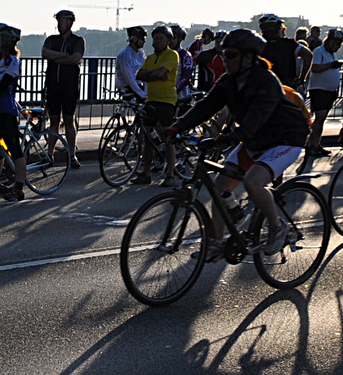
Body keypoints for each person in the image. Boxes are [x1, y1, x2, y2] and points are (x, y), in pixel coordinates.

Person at [172, 28, 309, 256]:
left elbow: (257, 116)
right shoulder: (229, 81)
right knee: (219, 188)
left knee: (253, 182)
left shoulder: (266, 81)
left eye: (231, 55)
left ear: (248, 57)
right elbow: (206, 106)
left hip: (285, 139)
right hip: (256, 140)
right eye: (224, 55)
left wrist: (231, 137)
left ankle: (278, 227)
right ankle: (216, 244)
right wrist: (177, 126)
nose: (225, 60)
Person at [0, 24, 29, 200]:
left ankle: (19, 188)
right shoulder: (0, 62)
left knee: (15, 150)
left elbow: (2, 87)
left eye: (1, 39)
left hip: (7, 112)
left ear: (9, 42)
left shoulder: (13, 62)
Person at [130, 25, 181, 183]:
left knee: (168, 136)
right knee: (148, 137)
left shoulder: (172, 55)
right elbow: (139, 74)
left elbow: (157, 73)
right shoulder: (150, 58)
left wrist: (152, 75)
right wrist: (157, 75)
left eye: (161, 38)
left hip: (166, 100)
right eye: (156, 38)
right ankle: (146, 173)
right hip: (150, 99)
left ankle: (171, 174)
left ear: (168, 40)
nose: (157, 41)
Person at [41, 9, 84, 168]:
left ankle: (72, 155)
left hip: (69, 86)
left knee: (68, 120)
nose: (59, 25)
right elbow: (44, 53)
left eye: (62, 21)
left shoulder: (78, 40)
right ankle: (49, 154)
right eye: (58, 22)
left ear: (70, 23)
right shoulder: (51, 39)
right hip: (52, 85)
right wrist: (64, 56)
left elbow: (76, 58)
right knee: (53, 120)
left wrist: (57, 57)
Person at [305, 29, 343, 156]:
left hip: (330, 90)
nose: (338, 47)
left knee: (322, 119)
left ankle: (317, 144)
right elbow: (314, 68)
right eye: (337, 44)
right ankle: (311, 145)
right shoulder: (319, 51)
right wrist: (331, 65)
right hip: (319, 89)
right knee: (319, 118)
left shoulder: (332, 54)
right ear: (331, 41)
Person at [259, 14, 299, 89]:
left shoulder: (259, 44)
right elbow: (308, 54)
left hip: (263, 84)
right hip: (286, 84)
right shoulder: (289, 43)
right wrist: (302, 78)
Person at [116, 25, 148, 100]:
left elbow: (144, 72)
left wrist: (146, 91)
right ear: (134, 39)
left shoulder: (140, 53)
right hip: (127, 87)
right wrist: (142, 95)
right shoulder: (125, 54)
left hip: (138, 85)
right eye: (142, 39)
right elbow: (129, 78)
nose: (144, 41)